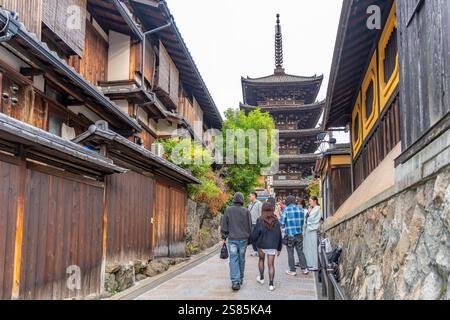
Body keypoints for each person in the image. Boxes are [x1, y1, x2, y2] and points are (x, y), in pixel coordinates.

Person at [221, 192, 253, 291]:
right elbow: (250, 226)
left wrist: (224, 236)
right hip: (243, 238)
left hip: (232, 238)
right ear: (242, 200)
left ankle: (235, 281)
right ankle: (241, 278)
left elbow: (224, 224)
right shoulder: (246, 211)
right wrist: (249, 238)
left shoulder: (228, 210)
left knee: (233, 259)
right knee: (241, 258)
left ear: (234, 199)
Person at [251, 202, 283, 292]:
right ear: (272, 209)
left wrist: (253, 241)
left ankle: (261, 278)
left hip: (261, 245)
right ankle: (271, 284)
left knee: (261, 260)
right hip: (272, 245)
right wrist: (279, 248)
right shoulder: (276, 220)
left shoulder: (260, 219)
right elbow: (279, 235)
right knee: (271, 265)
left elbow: (256, 233)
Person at [279, 195, 309, 276]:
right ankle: (304, 269)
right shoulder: (301, 209)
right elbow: (303, 222)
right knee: (300, 251)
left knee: (290, 253)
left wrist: (284, 226)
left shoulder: (286, 209)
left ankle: (292, 270)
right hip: (299, 234)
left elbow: (281, 223)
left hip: (290, 235)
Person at [303, 196, 321, 271]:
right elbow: (307, 217)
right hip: (308, 229)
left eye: (310, 201)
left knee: (313, 247)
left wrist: (308, 214)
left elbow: (312, 219)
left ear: (315, 201)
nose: (309, 202)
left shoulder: (317, 208)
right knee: (308, 247)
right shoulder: (312, 209)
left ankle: (315, 264)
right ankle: (309, 263)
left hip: (312, 229)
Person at [248, 192, 262, 257]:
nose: (249, 197)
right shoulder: (250, 204)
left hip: (256, 224)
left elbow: (261, 214)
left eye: (250, 196)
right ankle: (255, 250)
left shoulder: (259, 203)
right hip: (250, 223)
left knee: (256, 238)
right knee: (252, 238)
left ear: (254, 196)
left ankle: (258, 251)